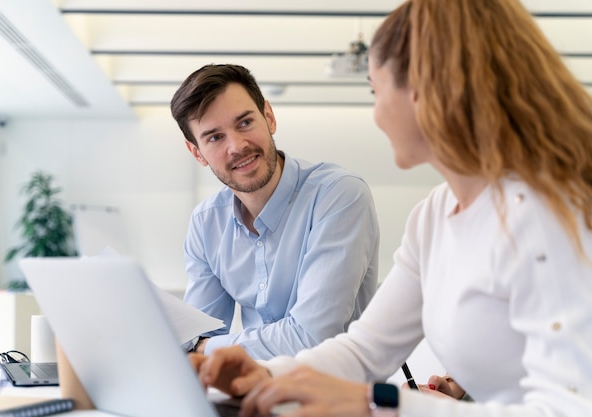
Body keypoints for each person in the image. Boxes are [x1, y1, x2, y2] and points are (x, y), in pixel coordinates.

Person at [193, 0, 592, 416]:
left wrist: (383, 403)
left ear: (425, 92)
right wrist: (268, 376)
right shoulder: (435, 215)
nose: (376, 113)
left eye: (375, 90)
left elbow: (571, 409)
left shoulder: (548, 211)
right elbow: (366, 349)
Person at [170, 64, 380, 359]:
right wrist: (202, 347)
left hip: (332, 396)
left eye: (244, 123)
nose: (237, 146)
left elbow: (312, 337)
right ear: (196, 152)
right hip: (249, 394)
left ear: (269, 117)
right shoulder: (207, 223)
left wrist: (208, 349)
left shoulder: (338, 195)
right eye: (215, 137)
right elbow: (199, 337)